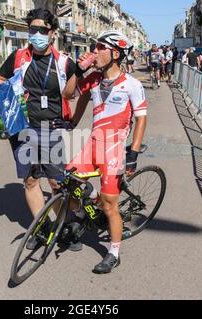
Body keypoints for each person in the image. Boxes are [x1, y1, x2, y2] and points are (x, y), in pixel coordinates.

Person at [62, 30, 148, 274]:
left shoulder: (132, 84)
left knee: (110, 205)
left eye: (100, 48)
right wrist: (79, 71)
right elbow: (69, 95)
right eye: (95, 47)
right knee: (67, 182)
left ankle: (114, 252)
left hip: (114, 149)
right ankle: (88, 211)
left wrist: (134, 151)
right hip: (92, 144)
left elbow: (141, 119)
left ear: (115, 53)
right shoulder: (93, 79)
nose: (94, 52)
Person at [0, 8, 79, 250]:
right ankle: (41, 228)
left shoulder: (64, 62)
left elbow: (72, 93)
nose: (37, 34)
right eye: (33, 29)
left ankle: (65, 227)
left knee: (56, 182)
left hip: (50, 128)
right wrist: (8, 97)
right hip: (22, 128)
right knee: (31, 181)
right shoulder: (19, 57)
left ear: (52, 33)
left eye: (43, 30)